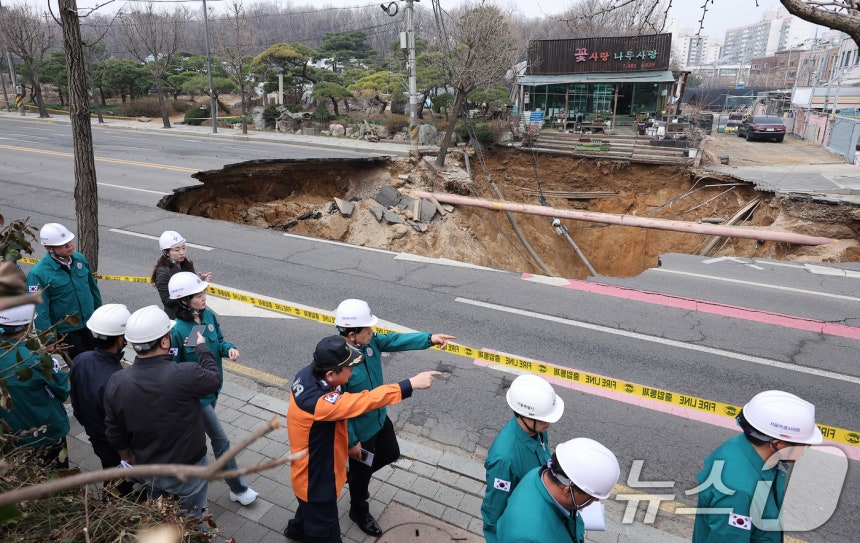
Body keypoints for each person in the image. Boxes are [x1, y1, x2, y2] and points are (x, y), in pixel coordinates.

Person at [285, 335, 441, 543]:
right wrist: (410, 384)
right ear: (331, 374)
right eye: (349, 367)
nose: (353, 371)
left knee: (309, 509)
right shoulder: (320, 404)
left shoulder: (308, 374)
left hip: (311, 469)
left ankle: (295, 530)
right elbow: (365, 401)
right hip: (317, 480)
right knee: (324, 531)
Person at [334, 298, 455, 536]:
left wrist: (429, 339)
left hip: (379, 418)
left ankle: (353, 477)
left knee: (390, 453)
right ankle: (358, 510)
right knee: (362, 476)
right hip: (360, 431)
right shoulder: (338, 364)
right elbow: (337, 409)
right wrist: (351, 441)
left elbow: (394, 340)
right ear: (351, 334)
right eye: (368, 328)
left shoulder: (369, 342)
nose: (373, 332)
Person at [103, 305, 221, 516]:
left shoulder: (117, 381)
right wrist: (202, 348)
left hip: (149, 468)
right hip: (189, 467)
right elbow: (214, 379)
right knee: (194, 519)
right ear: (165, 342)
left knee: (160, 515)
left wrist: (127, 456)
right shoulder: (186, 374)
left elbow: (113, 429)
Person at [167, 271, 258, 506]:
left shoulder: (208, 316)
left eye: (203, 293)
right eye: (198, 296)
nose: (204, 298)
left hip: (214, 389)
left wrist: (229, 349)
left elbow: (219, 341)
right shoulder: (177, 331)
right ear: (184, 301)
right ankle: (238, 489)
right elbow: (173, 369)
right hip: (197, 398)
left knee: (202, 436)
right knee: (221, 440)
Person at [692, 390, 823, 543]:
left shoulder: (739, 447)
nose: (804, 451)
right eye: (803, 445)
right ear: (777, 444)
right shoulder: (739, 495)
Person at [482, 374, 565, 542]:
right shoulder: (504, 459)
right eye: (543, 419)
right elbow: (494, 510)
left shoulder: (537, 430)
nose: (548, 424)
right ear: (523, 415)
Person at [69, 303, 140, 496]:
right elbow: (122, 425)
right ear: (121, 339)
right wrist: (128, 453)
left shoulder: (81, 360)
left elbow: (75, 400)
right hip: (116, 446)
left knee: (111, 477)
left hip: (96, 436)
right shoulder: (118, 379)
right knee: (125, 489)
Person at [496, 437, 620, 543]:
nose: (596, 500)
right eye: (591, 497)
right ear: (567, 491)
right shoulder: (529, 538)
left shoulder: (539, 475)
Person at [0, 303, 71, 468]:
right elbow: (63, 390)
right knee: (59, 476)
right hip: (46, 433)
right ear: (27, 326)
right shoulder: (35, 359)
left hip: (10, 437)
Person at [26, 223, 102, 358]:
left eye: (69, 241)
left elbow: (93, 289)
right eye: (63, 244)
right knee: (82, 363)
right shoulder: (38, 273)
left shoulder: (79, 259)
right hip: (66, 330)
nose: (69, 245)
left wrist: (100, 315)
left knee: (98, 358)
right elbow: (40, 310)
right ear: (49, 248)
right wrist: (47, 339)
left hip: (89, 323)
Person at [151, 230, 211, 319]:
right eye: (177, 250)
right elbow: (166, 301)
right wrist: (184, 293)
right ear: (166, 252)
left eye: (183, 248)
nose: (182, 252)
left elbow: (193, 289)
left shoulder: (186, 263)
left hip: (194, 312)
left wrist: (200, 282)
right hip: (177, 317)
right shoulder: (163, 272)